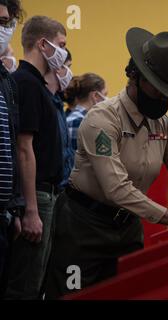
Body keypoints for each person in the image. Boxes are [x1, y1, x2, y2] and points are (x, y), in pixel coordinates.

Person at [44, 27, 168, 299]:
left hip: (126, 230)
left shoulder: (164, 124)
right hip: (82, 228)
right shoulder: (102, 120)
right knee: (73, 294)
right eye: (158, 90)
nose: (163, 99)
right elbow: (116, 187)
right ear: (135, 76)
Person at [5, 15, 67, 300]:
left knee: (37, 282)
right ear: (43, 44)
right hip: (37, 194)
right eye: (61, 45)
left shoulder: (38, 85)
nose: (64, 53)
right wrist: (30, 209)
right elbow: (23, 148)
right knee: (25, 285)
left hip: (47, 194)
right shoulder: (26, 83)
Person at [0, 0, 24, 298]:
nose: (2, 28)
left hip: (4, 214)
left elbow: (13, 146)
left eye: (5, 22)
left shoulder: (6, 81)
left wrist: (16, 208)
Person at [45, 49, 75, 187]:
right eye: (68, 67)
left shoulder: (57, 100)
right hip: (49, 186)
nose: (70, 73)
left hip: (60, 187)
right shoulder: (47, 99)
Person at [65, 73, 107, 150]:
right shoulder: (82, 122)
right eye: (105, 94)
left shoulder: (70, 119)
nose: (107, 99)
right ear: (95, 96)